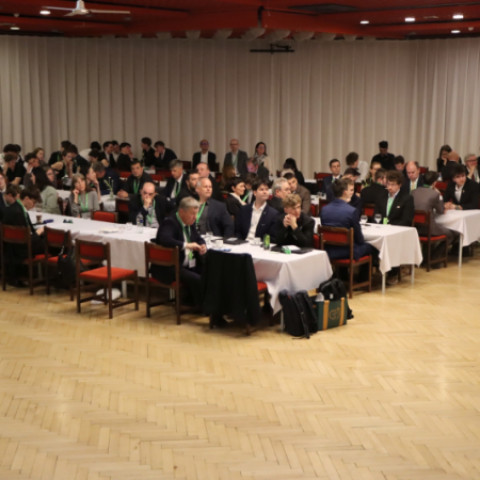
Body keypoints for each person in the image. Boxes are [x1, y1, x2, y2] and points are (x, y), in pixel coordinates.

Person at [153, 196, 207, 308]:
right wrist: (186, 245)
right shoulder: (170, 222)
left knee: (210, 272)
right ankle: (201, 308)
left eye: (196, 214)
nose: (195, 217)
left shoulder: (190, 223)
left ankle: (199, 304)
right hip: (170, 267)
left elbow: (198, 238)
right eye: (192, 214)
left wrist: (203, 245)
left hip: (187, 263)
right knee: (197, 279)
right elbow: (164, 239)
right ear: (182, 212)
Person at [320, 177, 375, 261]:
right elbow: (359, 239)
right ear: (345, 192)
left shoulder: (324, 210)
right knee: (372, 247)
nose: (353, 193)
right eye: (351, 190)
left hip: (328, 250)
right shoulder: (351, 211)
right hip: (348, 251)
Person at [2, 187, 45, 285]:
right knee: (53, 244)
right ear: (26, 198)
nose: (33, 205)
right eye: (33, 202)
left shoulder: (13, 208)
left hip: (11, 248)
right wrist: (39, 232)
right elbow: (26, 239)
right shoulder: (18, 213)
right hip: (20, 250)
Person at [411, 171, 455, 247]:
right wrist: (439, 195)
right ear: (434, 183)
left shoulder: (413, 192)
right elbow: (441, 211)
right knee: (452, 234)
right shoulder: (435, 194)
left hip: (415, 228)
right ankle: (436, 253)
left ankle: (429, 252)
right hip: (429, 229)